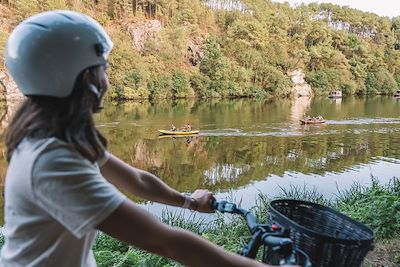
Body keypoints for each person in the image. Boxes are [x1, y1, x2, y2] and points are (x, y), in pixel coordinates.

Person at [0, 10, 278, 267]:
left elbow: (138, 181)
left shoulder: (59, 138)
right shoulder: (53, 161)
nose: (107, 81)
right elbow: (163, 241)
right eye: (103, 70)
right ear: (85, 79)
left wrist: (188, 202)